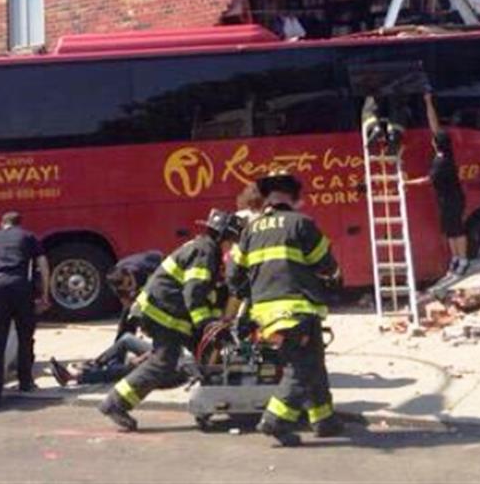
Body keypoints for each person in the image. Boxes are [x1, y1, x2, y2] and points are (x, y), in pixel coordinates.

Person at [227, 169, 344, 445]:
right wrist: (333, 282)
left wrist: (252, 294)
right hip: (297, 310)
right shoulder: (301, 223)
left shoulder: (249, 231)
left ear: (267, 196)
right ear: (292, 196)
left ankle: (324, 419)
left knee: (314, 362)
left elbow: (233, 275)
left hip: (265, 315)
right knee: (300, 369)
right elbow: (326, 265)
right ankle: (274, 421)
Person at [98, 209, 241, 432]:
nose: (232, 247)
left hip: (169, 314)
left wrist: (216, 322)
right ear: (223, 237)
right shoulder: (205, 251)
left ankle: (206, 406)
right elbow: (194, 294)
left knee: (205, 356)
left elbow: (204, 295)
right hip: (162, 314)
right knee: (163, 361)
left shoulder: (203, 248)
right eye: (232, 241)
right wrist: (207, 325)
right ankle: (115, 403)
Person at [0, 211, 50, 409]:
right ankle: (25, 381)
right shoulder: (28, 236)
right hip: (21, 287)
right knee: (25, 336)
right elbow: (43, 264)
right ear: (19, 225)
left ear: (1, 223)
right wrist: (45, 295)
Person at [50, 251, 161, 387]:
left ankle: (78, 377)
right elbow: (126, 304)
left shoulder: (148, 275)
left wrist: (143, 358)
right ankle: (98, 364)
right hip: (164, 347)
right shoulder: (117, 276)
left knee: (136, 367)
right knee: (125, 337)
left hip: (175, 360)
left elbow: (168, 350)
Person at [405, 93, 468, 281]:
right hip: (445, 199)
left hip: (453, 199)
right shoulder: (444, 151)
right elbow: (435, 127)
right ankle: (455, 258)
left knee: (457, 229)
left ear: (436, 144)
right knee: (449, 230)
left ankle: (463, 259)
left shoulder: (442, 161)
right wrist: (428, 102)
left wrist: (405, 182)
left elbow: (427, 180)